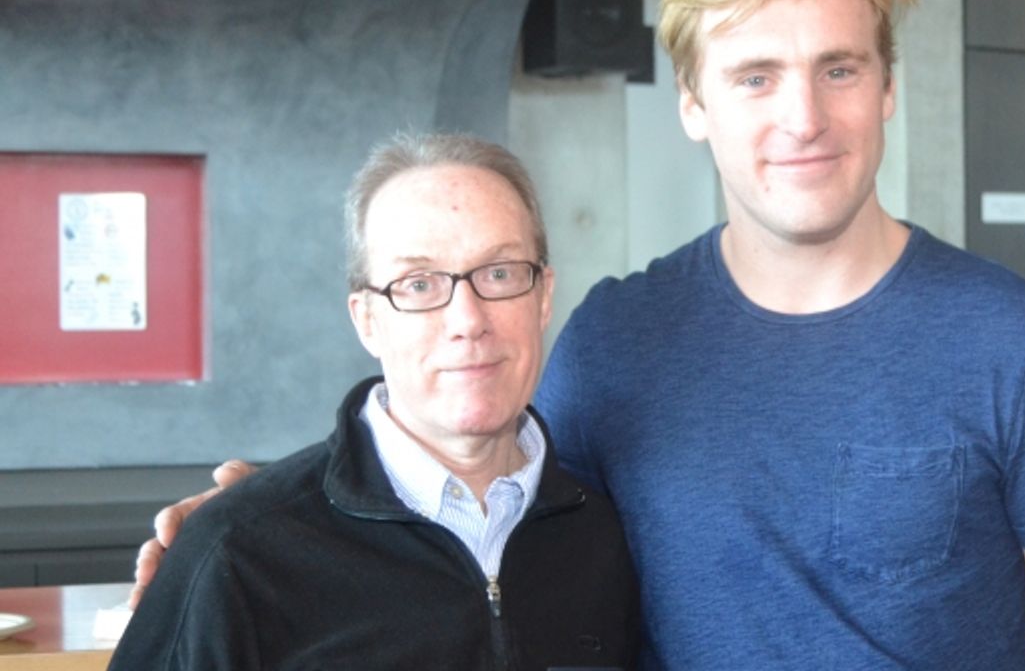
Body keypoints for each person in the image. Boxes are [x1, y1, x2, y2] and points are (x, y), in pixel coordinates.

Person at [134, 0, 1025, 670]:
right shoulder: (617, 335)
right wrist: (260, 520)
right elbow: (484, 493)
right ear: (693, 104)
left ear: (889, 88)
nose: (802, 117)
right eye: (755, 75)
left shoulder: (1023, 347)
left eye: (839, 68)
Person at [112, 133, 639, 670]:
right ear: (366, 319)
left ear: (544, 296)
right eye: (418, 284)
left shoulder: (603, 540)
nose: (468, 320)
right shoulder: (238, 553)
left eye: (499, 273)